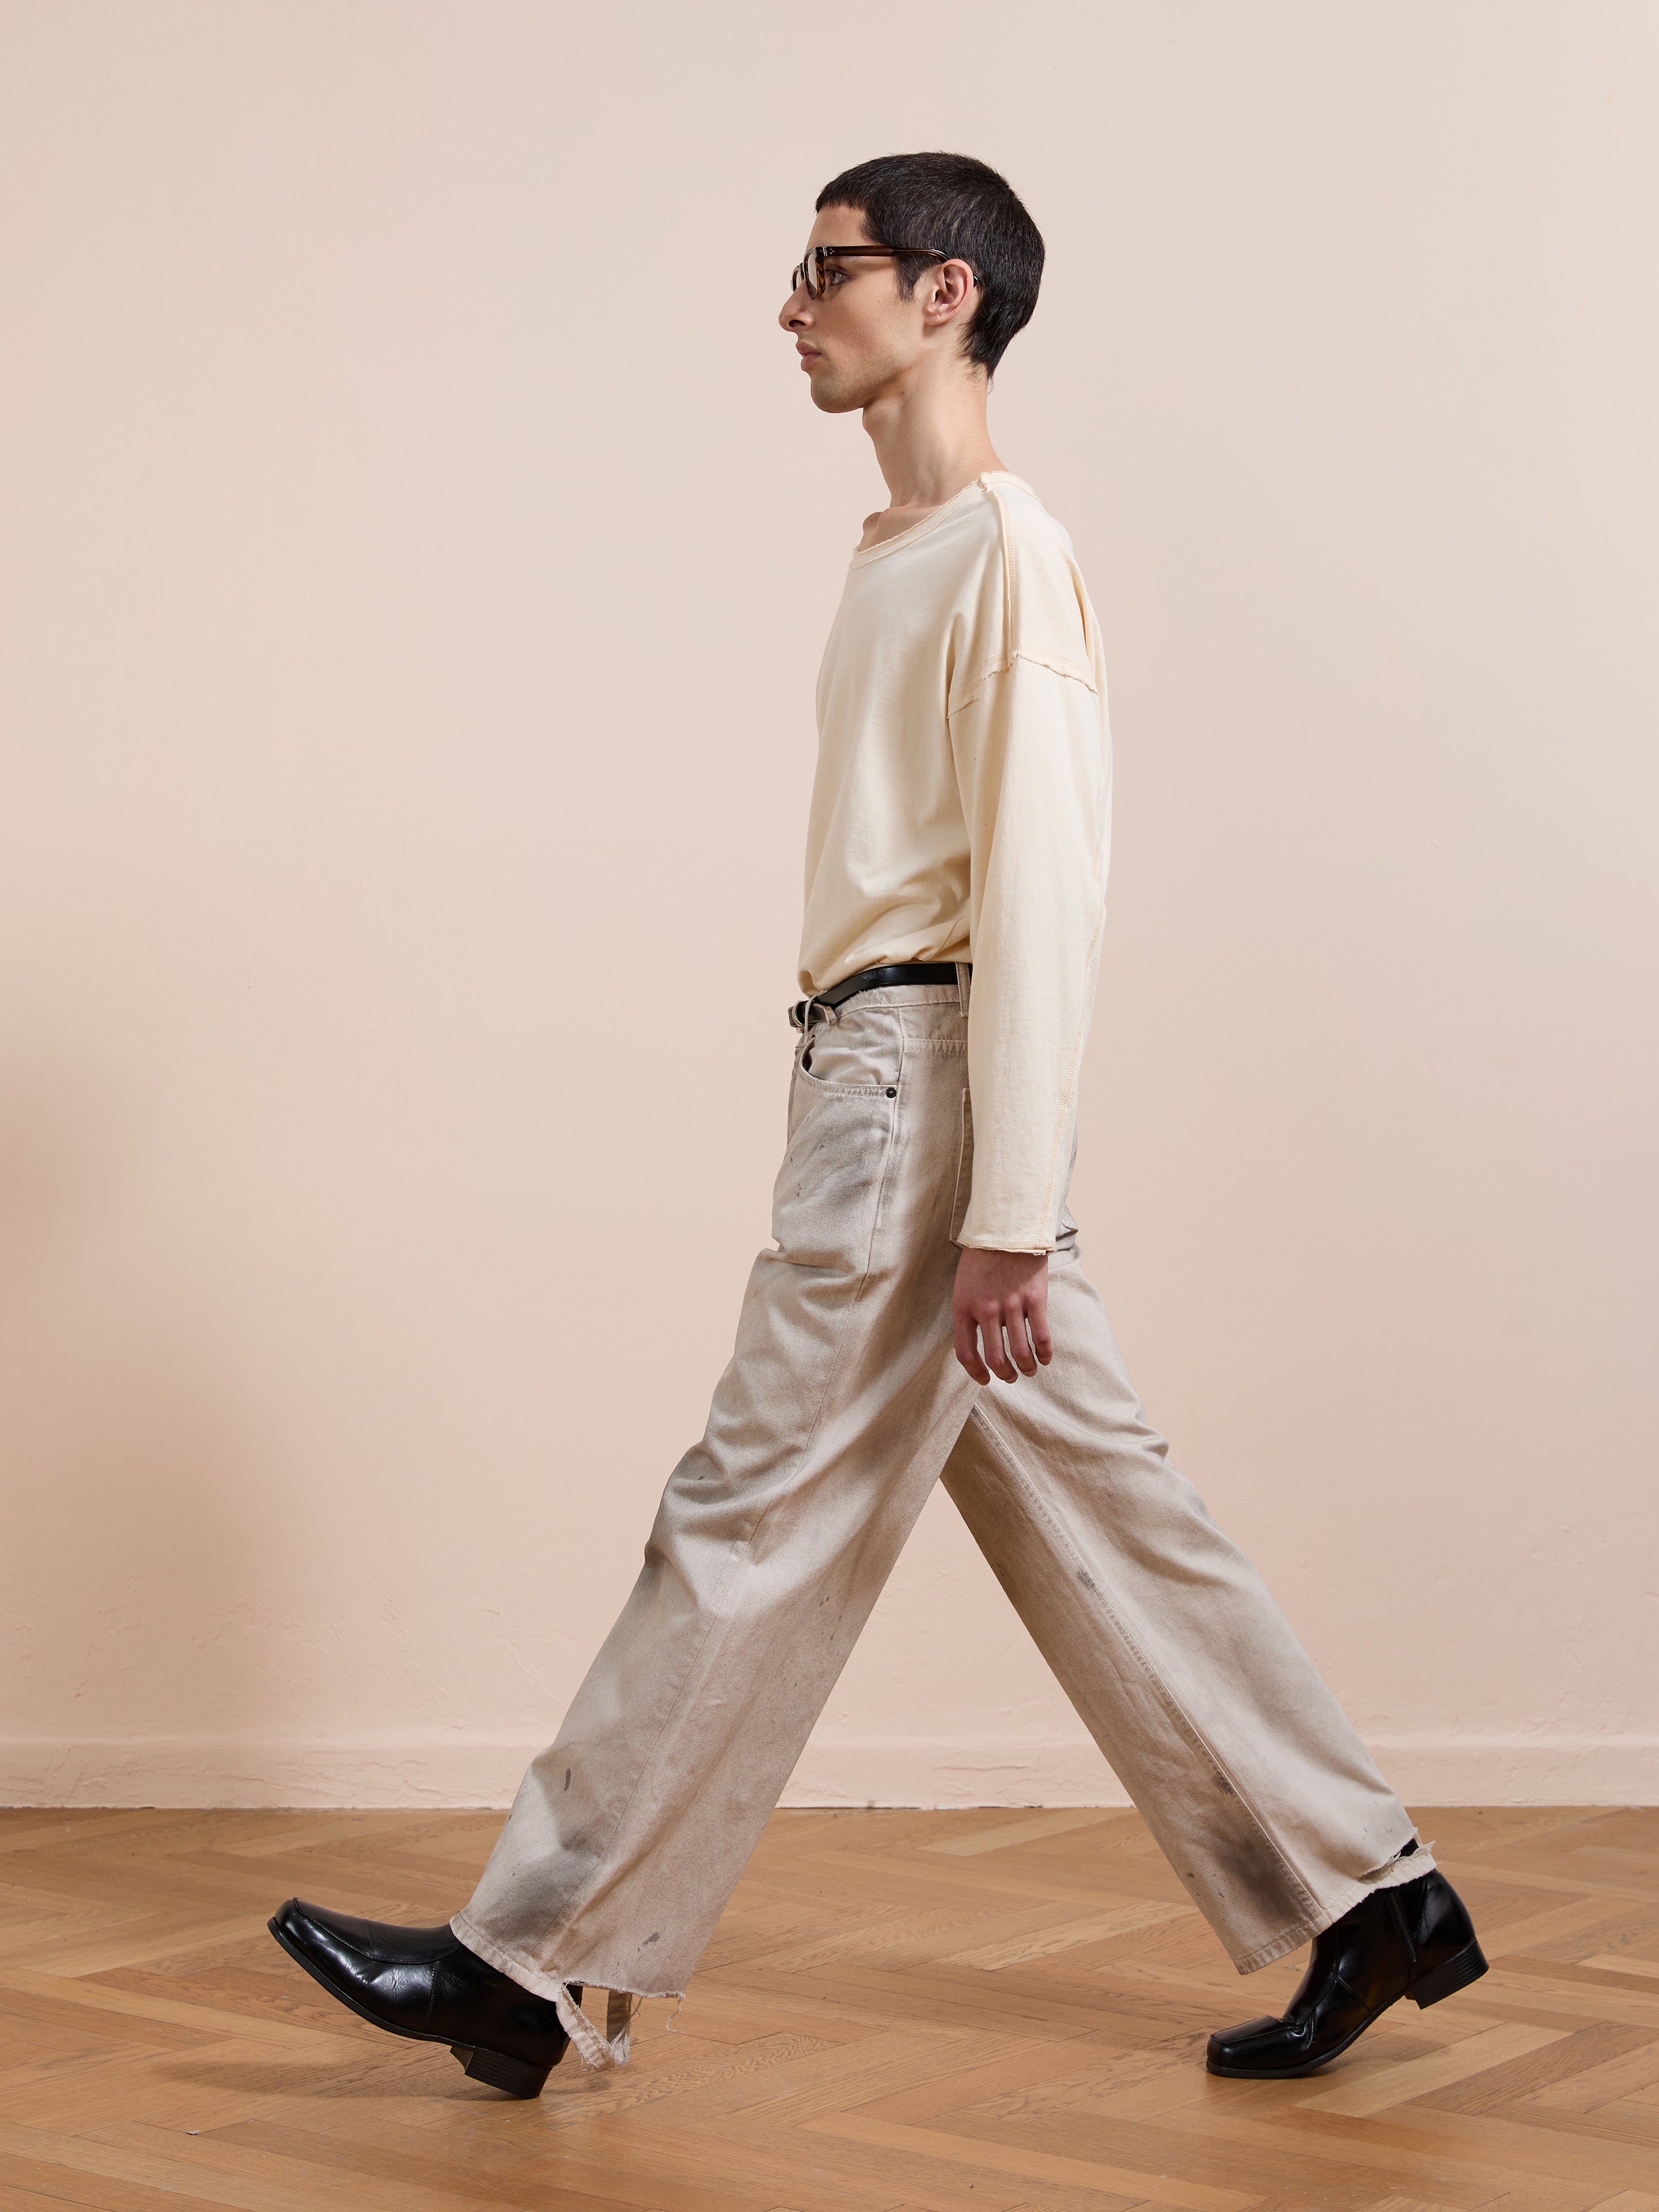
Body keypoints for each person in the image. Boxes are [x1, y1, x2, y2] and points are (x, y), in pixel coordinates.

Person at [268, 151, 1486, 2099]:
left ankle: (524, 1957)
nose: (790, 303)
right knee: (1109, 1517)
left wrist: (1007, 1200)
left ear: (945, 296)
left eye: (828, 268)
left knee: (740, 1519)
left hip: (922, 1088)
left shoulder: (1008, 547)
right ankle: (1373, 1891)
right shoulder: (897, 552)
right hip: (878, 1070)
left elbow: (1047, 890)